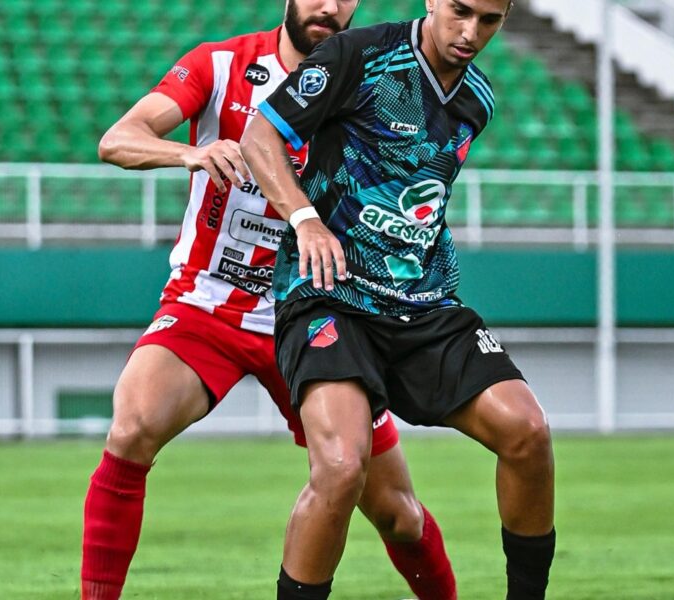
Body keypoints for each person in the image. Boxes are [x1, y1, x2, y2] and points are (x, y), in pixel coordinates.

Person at [80, 1, 458, 599]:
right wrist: (189, 153)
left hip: (318, 314)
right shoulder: (221, 65)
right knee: (131, 429)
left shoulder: (373, 82)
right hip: (209, 304)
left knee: (398, 514)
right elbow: (118, 139)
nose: (328, 6)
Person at [240, 0, 556, 598]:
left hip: (425, 306)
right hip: (330, 295)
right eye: (460, 11)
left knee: (528, 433)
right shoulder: (357, 55)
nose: (471, 32)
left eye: (490, 20)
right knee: (341, 469)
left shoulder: (478, 100)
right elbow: (260, 137)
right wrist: (306, 220)